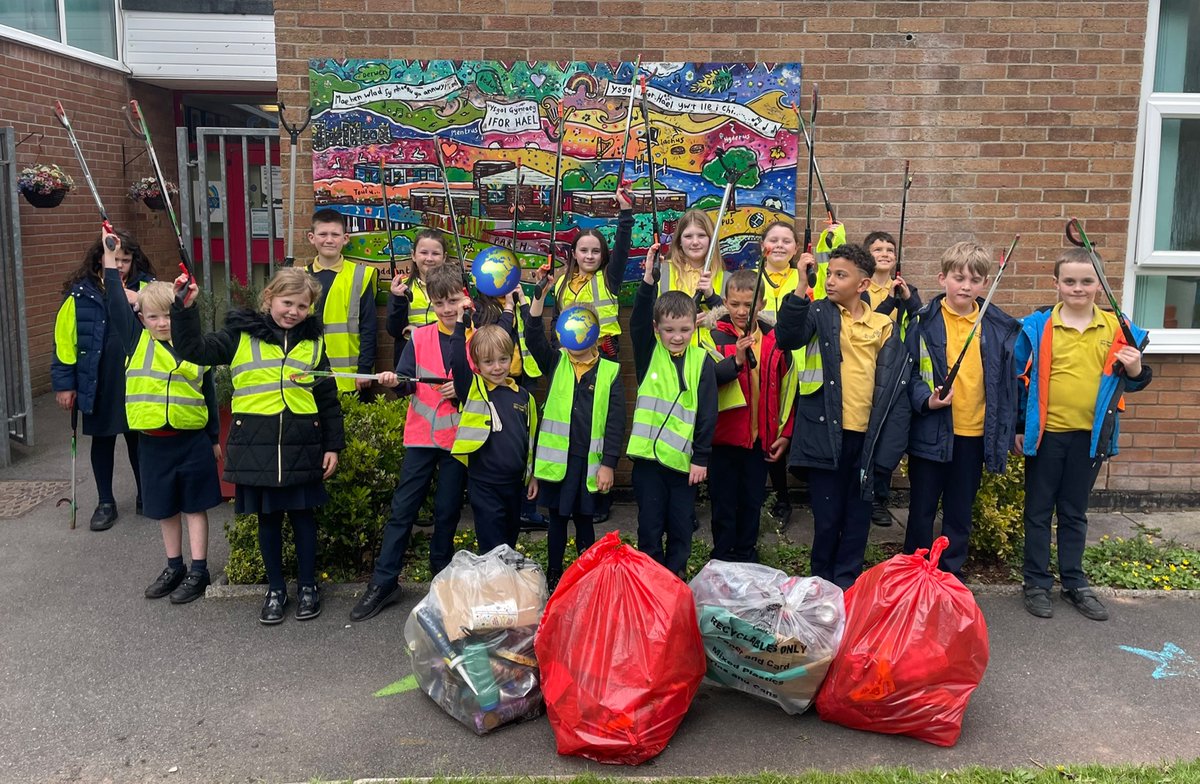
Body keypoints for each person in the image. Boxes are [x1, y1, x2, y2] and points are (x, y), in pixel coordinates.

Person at [172, 267, 345, 625]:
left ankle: (309, 586)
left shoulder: (314, 343)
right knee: (268, 521)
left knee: (303, 521)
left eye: (302, 306)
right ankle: (276, 589)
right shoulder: (240, 336)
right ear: (269, 300)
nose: (293, 311)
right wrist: (184, 309)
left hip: (302, 445)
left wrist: (333, 446)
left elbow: (327, 398)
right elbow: (194, 349)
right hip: (256, 446)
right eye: (286, 303)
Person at [1014, 246, 1152, 621]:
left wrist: (1137, 368)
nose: (1078, 288)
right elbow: (1018, 381)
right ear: (1056, 284)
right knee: (1039, 511)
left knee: (1074, 513)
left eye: (1087, 281)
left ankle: (1074, 582)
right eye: (1070, 281)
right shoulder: (1039, 327)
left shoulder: (1115, 328)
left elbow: (1136, 382)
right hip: (1047, 436)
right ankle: (1036, 583)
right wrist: (1017, 428)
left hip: (1090, 438)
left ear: (1100, 286)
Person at [774, 243, 913, 589]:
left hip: (865, 437)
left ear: (863, 284)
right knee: (826, 517)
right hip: (824, 436)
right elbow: (787, 336)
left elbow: (894, 387)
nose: (831, 281)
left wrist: (889, 451)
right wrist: (800, 288)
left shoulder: (883, 325)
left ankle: (847, 584)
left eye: (840, 275)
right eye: (829, 274)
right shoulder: (819, 312)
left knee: (857, 517)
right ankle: (820, 584)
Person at [350, 265, 467, 622]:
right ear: (431, 303)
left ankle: (441, 582)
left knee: (447, 513)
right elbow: (405, 382)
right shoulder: (419, 337)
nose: (447, 309)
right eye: (440, 303)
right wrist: (393, 381)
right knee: (403, 511)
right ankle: (384, 581)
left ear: (465, 297)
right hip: (421, 437)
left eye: (452, 301)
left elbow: (486, 385)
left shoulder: (476, 335)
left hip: (459, 439)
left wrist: (461, 390)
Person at [904, 241, 1019, 581]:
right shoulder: (922, 322)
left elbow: (1011, 383)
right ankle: (915, 571)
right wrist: (927, 400)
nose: (966, 286)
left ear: (985, 283)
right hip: (932, 430)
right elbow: (909, 375)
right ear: (943, 278)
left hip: (974, 433)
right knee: (921, 508)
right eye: (959, 277)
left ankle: (949, 572)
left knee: (959, 509)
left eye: (975, 279)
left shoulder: (998, 326)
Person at [122, 279, 224, 604]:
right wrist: (110, 260)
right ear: (142, 318)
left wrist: (213, 438)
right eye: (153, 317)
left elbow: (208, 392)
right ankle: (174, 566)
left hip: (192, 440)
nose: (162, 323)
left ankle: (198, 570)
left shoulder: (196, 345)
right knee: (166, 509)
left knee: (194, 507)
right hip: (153, 443)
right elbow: (114, 300)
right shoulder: (135, 343)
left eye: (168, 315)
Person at [52, 228, 153, 531]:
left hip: (137, 377)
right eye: (114, 259)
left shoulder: (146, 289)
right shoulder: (80, 295)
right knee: (103, 440)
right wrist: (65, 384)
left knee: (139, 440)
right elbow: (64, 342)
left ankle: (146, 494)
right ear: (100, 260)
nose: (120, 265)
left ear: (134, 261)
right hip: (99, 380)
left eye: (126, 259)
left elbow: (165, 325)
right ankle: (105, 501)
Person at [523, 291, 625, 589]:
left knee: (584, 519)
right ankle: (554, 574)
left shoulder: (610, 371)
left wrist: (608, 464)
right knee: (556, 520)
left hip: (588, 463)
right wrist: (538, 302)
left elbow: (616, 423)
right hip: (558, 463)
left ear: (595, 334)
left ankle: (587, 575)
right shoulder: (556, 362)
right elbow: (532, 339)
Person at [628, 253, 718, 577]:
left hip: (683, 466)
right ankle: (651, 581)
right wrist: (648, 279)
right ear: (657, 329)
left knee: (681, 529)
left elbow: (708, 412)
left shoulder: (702, 360)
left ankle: (676, 578)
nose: (676, 336)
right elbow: (638, 320)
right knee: (649, 529)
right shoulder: (648, 352)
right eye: (668, 330)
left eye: (683, 329)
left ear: (694, 325)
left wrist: (701, 458)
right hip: (648, 464)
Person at [700, 269, 794, 562]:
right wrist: (737, 360)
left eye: (749, 305)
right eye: (736, 304)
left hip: (759, 440)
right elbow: (707, 382)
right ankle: (723, 558)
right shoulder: (712, 338)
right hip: (723, 440)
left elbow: (789, 389)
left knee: (752, 502)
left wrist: (785, 434)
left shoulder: (775, 342)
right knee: (723, 505)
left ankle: (747, 556)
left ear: (762, 304)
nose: (742, 311)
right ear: (725, 303)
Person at [450, 317, 539, 553]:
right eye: (488, 362)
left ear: (512, 359)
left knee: (509, 542)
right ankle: (492, 586)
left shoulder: (524, 397)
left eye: (503, 359)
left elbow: (531, 441)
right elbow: (458, 363)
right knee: (491, 545)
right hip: (484, 484)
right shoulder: (473, 389)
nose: (497, 367)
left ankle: (504, 584)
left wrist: (533, 476)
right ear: (477, 364)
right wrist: (460, 325)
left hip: (514, 484)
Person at [861, 230, 923, 527]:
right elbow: (865, 326)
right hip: (869, 372)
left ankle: (881, 497)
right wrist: (888, 303)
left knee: (893, 439)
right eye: (877, 249)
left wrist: (907, 300)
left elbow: (922, 323)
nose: (885, 253)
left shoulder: (907, 289)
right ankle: (865, 496)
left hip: (898, 375)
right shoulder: (860, 289)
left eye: (889, 249)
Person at [756, 221, 816, 523]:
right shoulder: (754, 278)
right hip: (765, 368)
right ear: (762, 245)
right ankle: (773, 494)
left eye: (787, 241)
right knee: (769, 429)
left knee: (792, 432)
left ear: (796, 249)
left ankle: (792, 493)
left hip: (800, 368)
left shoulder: (804, 279)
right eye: (773, 240)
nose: (780, 245)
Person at [546, 190, 633, 358]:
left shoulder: (609, 278)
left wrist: (625, 210)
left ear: (603, 255)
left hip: (602, 354)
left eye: (596, 251)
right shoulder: (562, 282)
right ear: (574, 254)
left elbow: (622, 249)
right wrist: (557, 347)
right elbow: (556, 321)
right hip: (568, 354)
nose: (589, 256)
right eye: (584, 250)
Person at [303, 208, 378, 396]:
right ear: (312, 238)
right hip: (308, 374)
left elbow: (369, 327)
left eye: (335, 234)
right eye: (323, 234)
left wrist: (365, 369)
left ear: (345, 238)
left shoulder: (360, 275)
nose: (329, 240)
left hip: (351, 377)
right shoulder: (300, 277)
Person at [386, 228, 448, 366]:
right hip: (410, 360)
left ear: (444, 257)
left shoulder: (453, 288)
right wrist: (398, 299)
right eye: (424, 253)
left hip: (443, 357)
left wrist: (421, 333)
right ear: (413, 255)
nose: (429, 258)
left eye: (436, 253)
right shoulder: (401, 287)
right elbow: (394, 330)